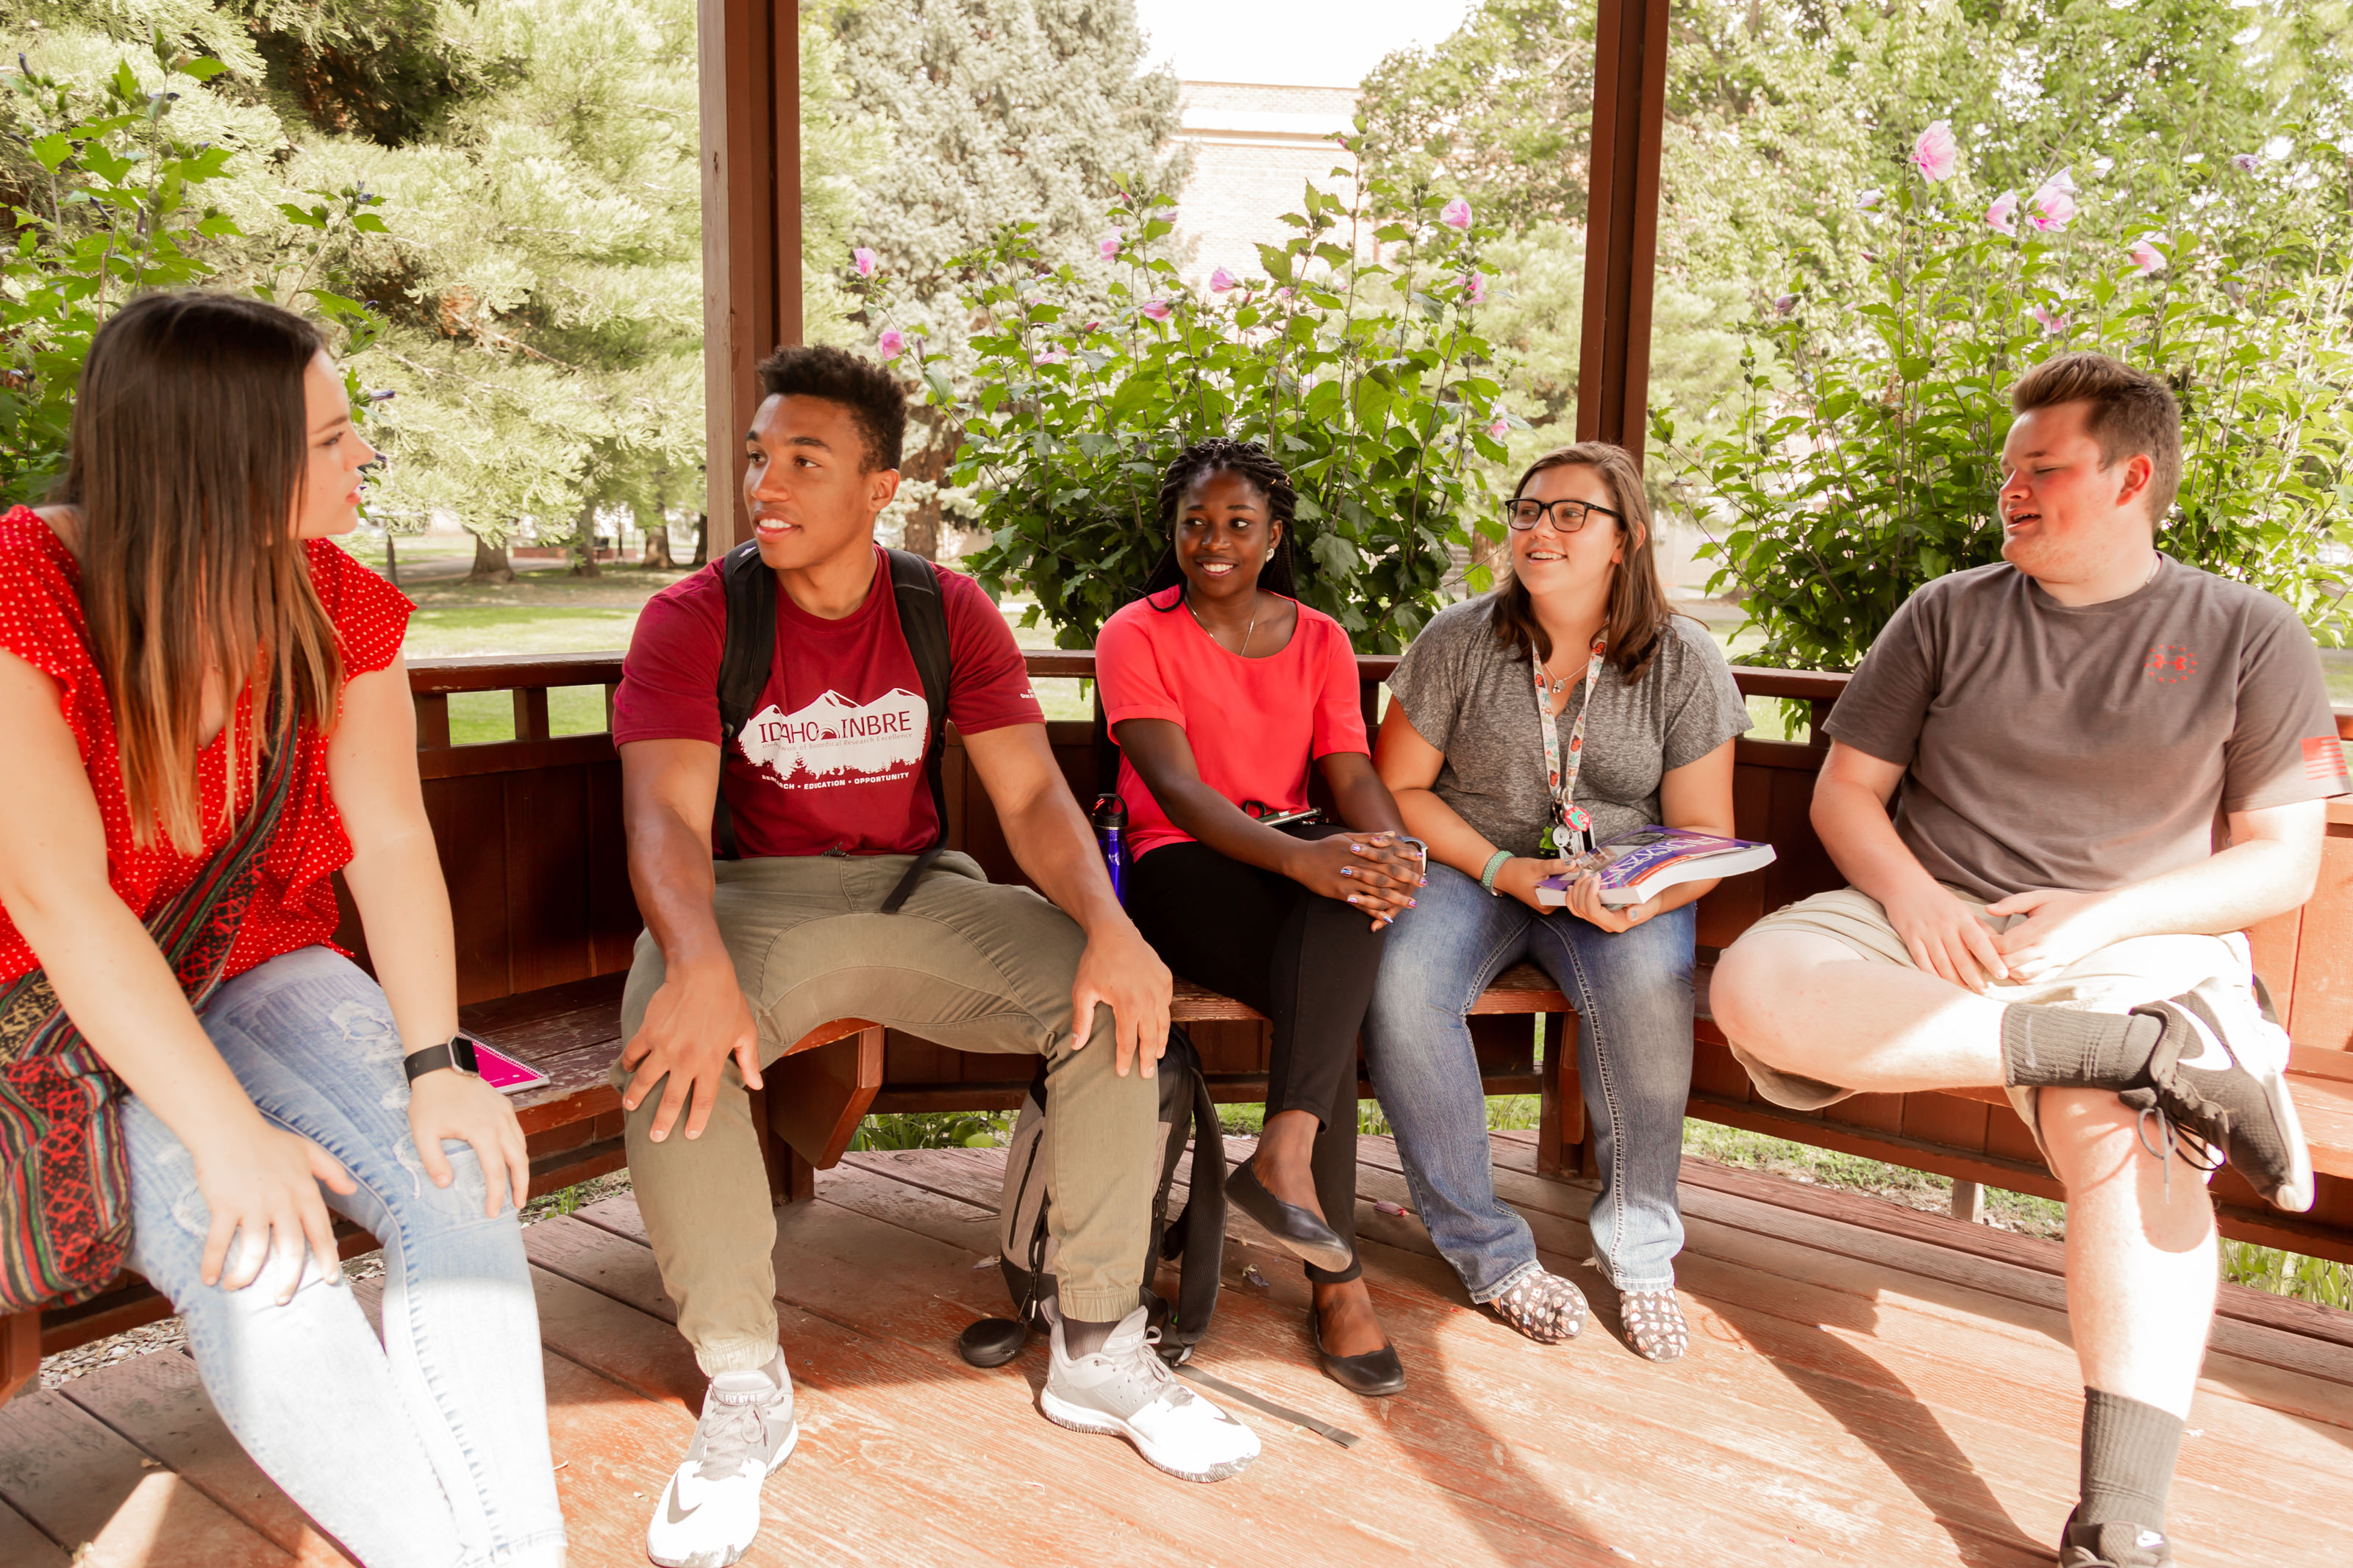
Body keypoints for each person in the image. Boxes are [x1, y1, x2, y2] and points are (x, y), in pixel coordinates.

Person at [611, 346, 1261, 1567]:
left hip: (918, 894)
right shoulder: (697, 616)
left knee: (1110, 1000)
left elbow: (1029, 800)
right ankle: (745, 1380)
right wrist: (692, 958)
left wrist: (1113, 929)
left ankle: (1098, 1343)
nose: (768, 481)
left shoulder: (941, 608)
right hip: (749, 902)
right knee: (673, 1045)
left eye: (806, 458)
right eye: (760, 455)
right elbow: (664, 822)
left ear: (882, 483)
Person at [1707, 353, 2338, 1568]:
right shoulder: (1946, 613)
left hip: (2130, 944)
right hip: (1925, 924)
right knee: (1749, 984)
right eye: (2010, 472)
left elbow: (2283, 863)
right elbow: (1849, 794)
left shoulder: (2253, 635)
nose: (2014, 490)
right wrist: (1923, 898)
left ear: (2132, 475)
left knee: (2136, 1135)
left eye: (2043, 468)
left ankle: (2122, 1511)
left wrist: (2098, 922)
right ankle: (2125, 1055)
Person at [0, 293, 565, 1567]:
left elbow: (393, 838)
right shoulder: (21, 593)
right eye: (328, 437)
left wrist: (440, 1067)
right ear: (218, 459)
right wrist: (228, 1136)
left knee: (464, 1171)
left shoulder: (333, 598)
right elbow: (59, 901)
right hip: (49, 1000)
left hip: (251, 955)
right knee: (260, 1249)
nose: (364, 456)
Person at [1366, 442, 1749, 1361]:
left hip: (1611, 886)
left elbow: (1702, 838)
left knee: (1651, 992)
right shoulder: (1459, 638)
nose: (1539, 529)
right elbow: (1397, 792)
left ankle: (1642, 1255)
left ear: (1626, 539)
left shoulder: (1683, 660)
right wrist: (1504, 868)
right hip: (1472, 867)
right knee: (1401, 991)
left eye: (1570, 513)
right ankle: (1489, 1255)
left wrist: (1640, 900)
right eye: (1527, 510)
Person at [1097, 437, 1423, 1396]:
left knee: (1353, 901)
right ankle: (1339, 1280)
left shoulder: (1319, 639)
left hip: (1292, 860)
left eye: (1239, 524)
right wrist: (1312, 860)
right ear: (1175, 531)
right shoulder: (1137, 634)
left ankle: (1284, 1151)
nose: (1214, 541)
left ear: (1275, 535)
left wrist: (1392, 851)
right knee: (1334, 921)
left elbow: (1351, 770)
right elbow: (1175, 788)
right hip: (1179, 870)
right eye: (1195, 523)